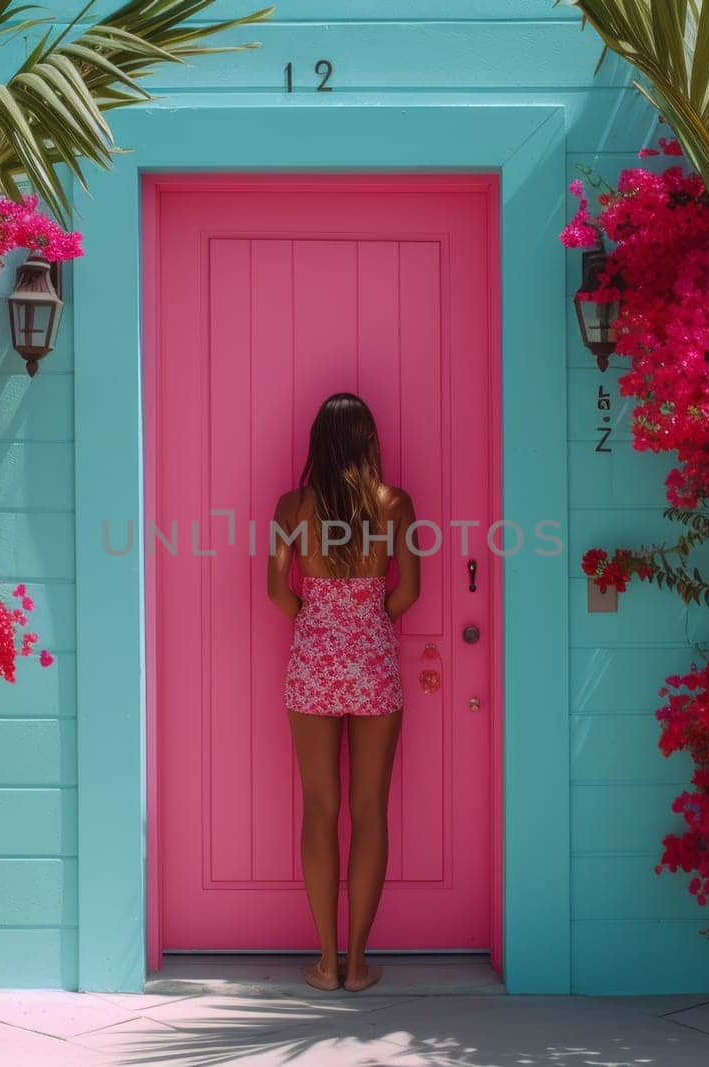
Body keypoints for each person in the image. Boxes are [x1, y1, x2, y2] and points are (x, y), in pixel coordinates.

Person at [267, 392, 420, 994]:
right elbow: (408, 591)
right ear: (368, 440)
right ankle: (358, 965)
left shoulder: (294, 505)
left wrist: (319, 615)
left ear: (318, 443)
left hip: (313, 661)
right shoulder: (394, 503)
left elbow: (278, 592)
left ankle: (325, 962)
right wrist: (368, 612)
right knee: (369, 811)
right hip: (373, 657)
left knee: (320, 809)